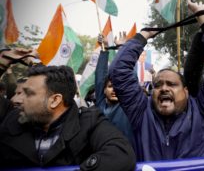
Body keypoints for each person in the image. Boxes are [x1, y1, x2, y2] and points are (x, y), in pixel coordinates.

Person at [108, 0, 204, 161]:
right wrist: (142, 37)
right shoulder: (141, 113)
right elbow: (119, 73)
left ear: (186, 91)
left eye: (172, 84)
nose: (163, 88)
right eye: (157, 85)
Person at [0, 64, 136, 170]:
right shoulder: (10, 119)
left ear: (54, 100)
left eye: (28, 94)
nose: (16, 100)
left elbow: (121, 154)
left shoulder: (90, 122)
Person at [95, 35, 133, 144]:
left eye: (118, 86)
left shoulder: (128, 106)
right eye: (110, 86)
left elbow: (129, 74)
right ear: (104, 90)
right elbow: (99, 78)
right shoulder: (101, 106)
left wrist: (122, 48)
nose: (114, 90)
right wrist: (105, 49)